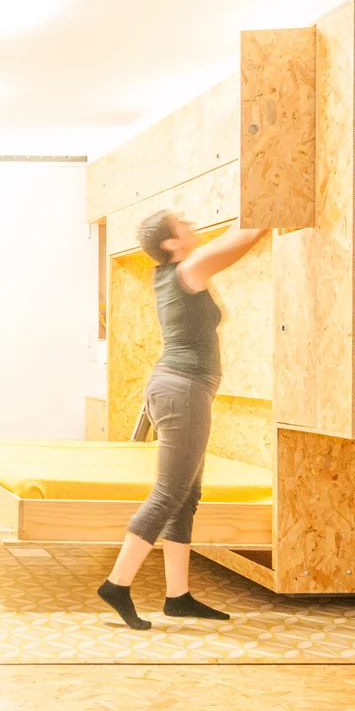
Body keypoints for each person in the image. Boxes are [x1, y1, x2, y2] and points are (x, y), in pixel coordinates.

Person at [98, 212, 269, 630]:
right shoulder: (187, 269)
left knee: (185, 496)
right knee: (168, 493)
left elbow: (232, 234)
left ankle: (178, 597)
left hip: (182, 389)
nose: (193, 225)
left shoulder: (174, 272)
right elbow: (243, 236)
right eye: (184, 225)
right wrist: (273, 193)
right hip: (183, 390)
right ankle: (117, 585)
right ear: (172, 244)